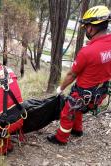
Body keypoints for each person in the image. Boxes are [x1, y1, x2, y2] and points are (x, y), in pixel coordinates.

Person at [47, 5, 111, 145]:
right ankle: (77, 130)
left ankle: (61, 138)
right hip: (101, 93)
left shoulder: (87, 52)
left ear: (91, 28)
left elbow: (72, 74)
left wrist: (61, 88)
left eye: (86, 26)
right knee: (78, 109)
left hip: (84, 94)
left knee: (67, 112)